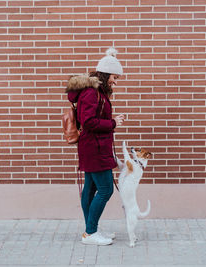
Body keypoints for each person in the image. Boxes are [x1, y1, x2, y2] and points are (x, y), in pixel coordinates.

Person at [66, 48, 125, 245]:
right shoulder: (91, 93)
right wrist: (113, 123)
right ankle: (90, 233)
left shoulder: (95, 91)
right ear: (106, 74)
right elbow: (89, 121)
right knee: (106, 189)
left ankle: (91, 229)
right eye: (114, 77)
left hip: (94, 147)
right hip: (94, 149)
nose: (115, 82)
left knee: (90, 189)